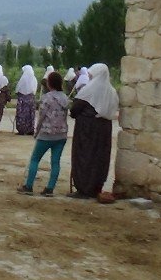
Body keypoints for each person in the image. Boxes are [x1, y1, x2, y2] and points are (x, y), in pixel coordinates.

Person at [69, 63, 118, 199]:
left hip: (87, 130)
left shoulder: (88, 90)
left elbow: (74, 110)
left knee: (85, 156)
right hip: (104, 130)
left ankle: (84, 188)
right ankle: (96, 187)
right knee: (100, 158)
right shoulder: (112, 92)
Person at [18, 72, 69, 196]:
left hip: (46, 133)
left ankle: (29, 186)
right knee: (55, 162)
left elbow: (41, 117)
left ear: (49, 83)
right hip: (61, 134)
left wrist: (36, 131)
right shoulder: (65, 98)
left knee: (35, 159)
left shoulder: (46, 98)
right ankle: (50, 188)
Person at [14, 65, 38, 135]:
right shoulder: (34, 79)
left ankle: (21, 130)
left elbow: (18, 88)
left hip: (22, 99)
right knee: (30, 114)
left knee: (21, 114)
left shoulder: (23, 78)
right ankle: (30, 130)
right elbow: (34, 90)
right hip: (31, 99)